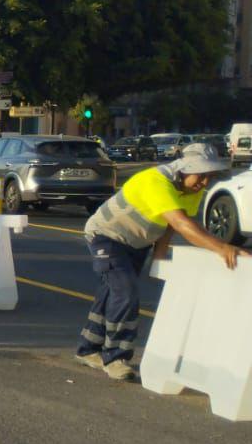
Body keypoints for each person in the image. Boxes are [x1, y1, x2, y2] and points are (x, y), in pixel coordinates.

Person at [77, 144, 247, 380]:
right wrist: (223, 248)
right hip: (106, 236)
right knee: (125, 292)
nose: (205, 183)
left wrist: (159, 256)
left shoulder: (190, 189)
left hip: (136, 243)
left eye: (210, 177)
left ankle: (88, 349)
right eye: (202, 175)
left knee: (112, 291)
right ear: (185, 169)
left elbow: (170, 226)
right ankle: (116, 357)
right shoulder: (155, 181)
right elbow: (183, 225)